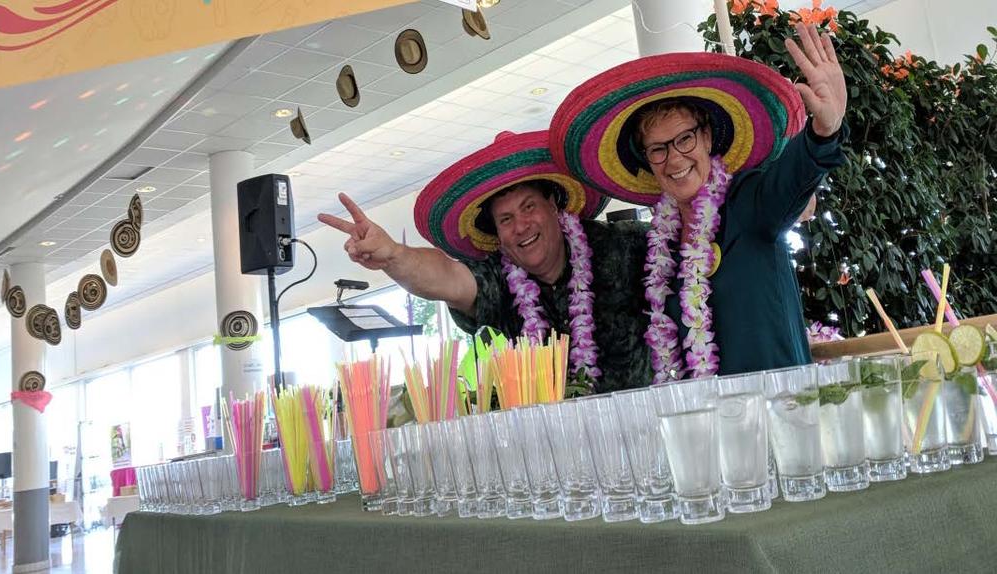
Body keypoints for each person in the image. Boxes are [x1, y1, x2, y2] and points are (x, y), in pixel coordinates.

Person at [548, 23, 848, 382]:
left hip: (780, 416)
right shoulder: (661, 248)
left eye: (685, 139)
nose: (674, 160)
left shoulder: (747, 201)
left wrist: (824, 131)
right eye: (658, 149)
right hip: (709, 427)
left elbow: (790, 183)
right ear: (647, 159)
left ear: (706, 137)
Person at [318, 131, 655, 393]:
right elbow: (447, 277)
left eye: (528, 207)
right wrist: (393, 255)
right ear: (497, 233)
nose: (521, 226)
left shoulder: (625, 245)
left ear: (553, 205)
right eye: (505, 219)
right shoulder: (501, 277)